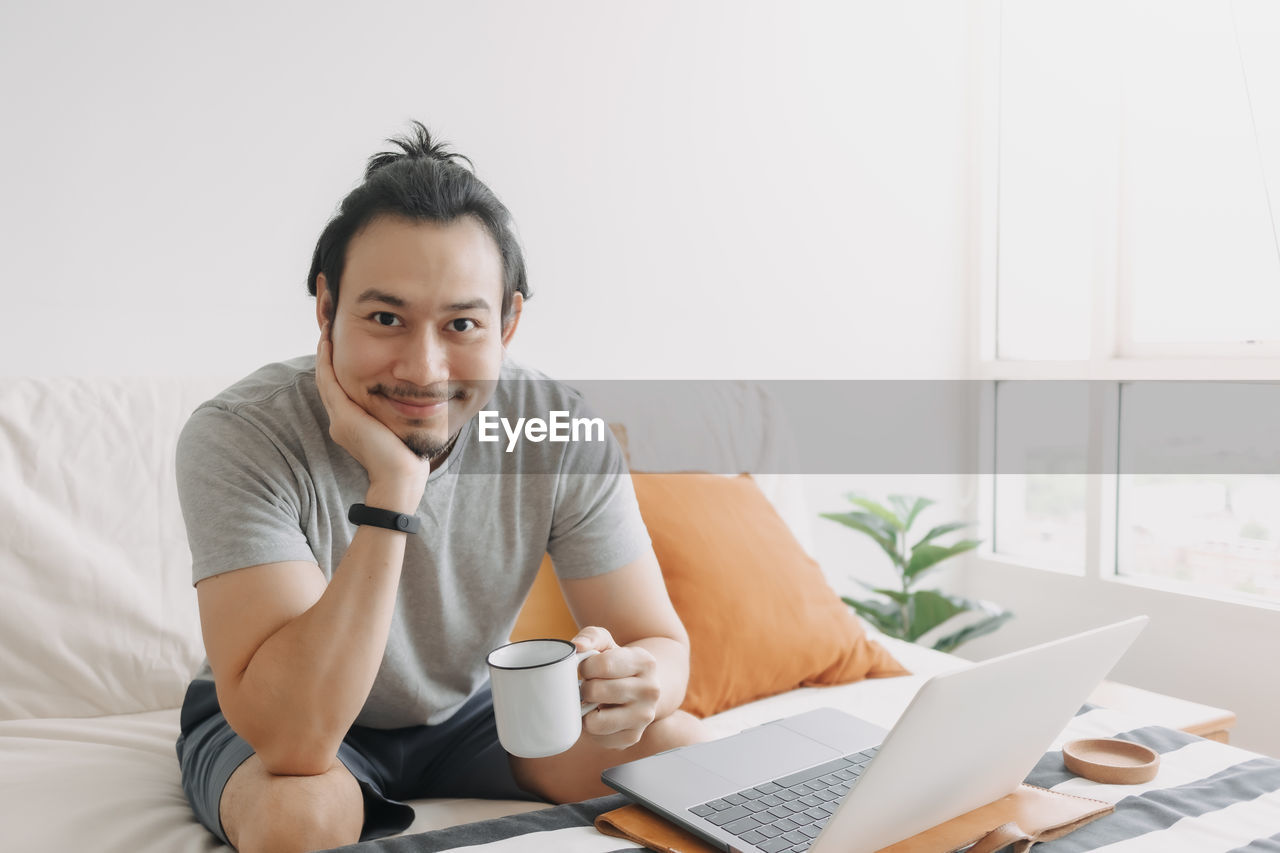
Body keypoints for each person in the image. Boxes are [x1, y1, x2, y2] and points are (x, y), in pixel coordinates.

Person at [174, 121, 709, 853]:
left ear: (509, 322)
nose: (424, 369)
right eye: (386, 317)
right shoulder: (242, 435)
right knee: (299, 821)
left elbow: (660, 640)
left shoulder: (555, 426)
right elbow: (296, 739)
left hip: (470, 709)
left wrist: (644, 680)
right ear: (327, 310)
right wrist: (395, 486)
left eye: (461, 323)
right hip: (287, 713)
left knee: (683, 757)